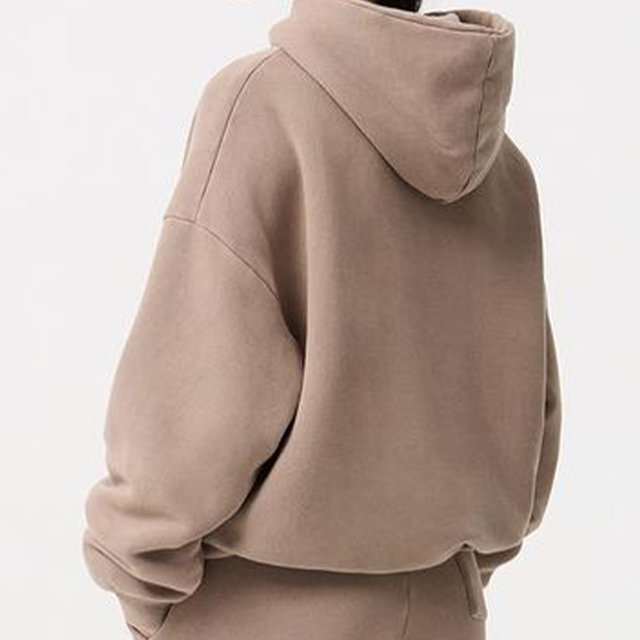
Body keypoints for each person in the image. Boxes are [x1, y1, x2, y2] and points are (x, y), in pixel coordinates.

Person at [83, 1, 562, 639]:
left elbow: (190, 415)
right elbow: (529, 416)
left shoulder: (262, 105)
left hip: (261, 611)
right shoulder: (504, 172)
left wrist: (145, 589)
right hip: (447, 611)